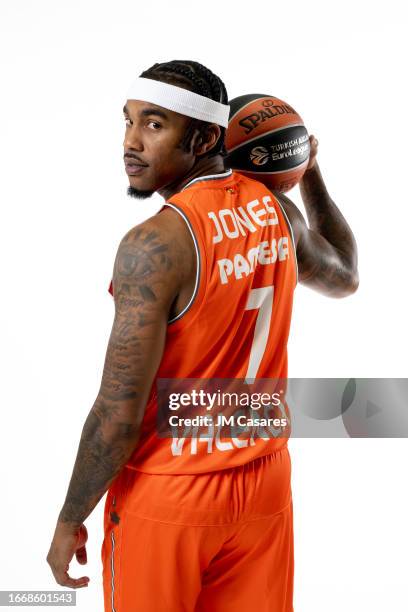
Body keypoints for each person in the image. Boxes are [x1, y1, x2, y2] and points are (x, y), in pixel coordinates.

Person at [46, 60, 359, 611]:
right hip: (263, 487)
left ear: (207, 136)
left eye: (155, 125)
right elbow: (345, 277)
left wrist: (71, 518)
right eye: (128, 122)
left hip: (172, 495)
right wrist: (309, 171)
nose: (131, 143)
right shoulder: (277, 211)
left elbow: (117, 413)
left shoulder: (154, 245)